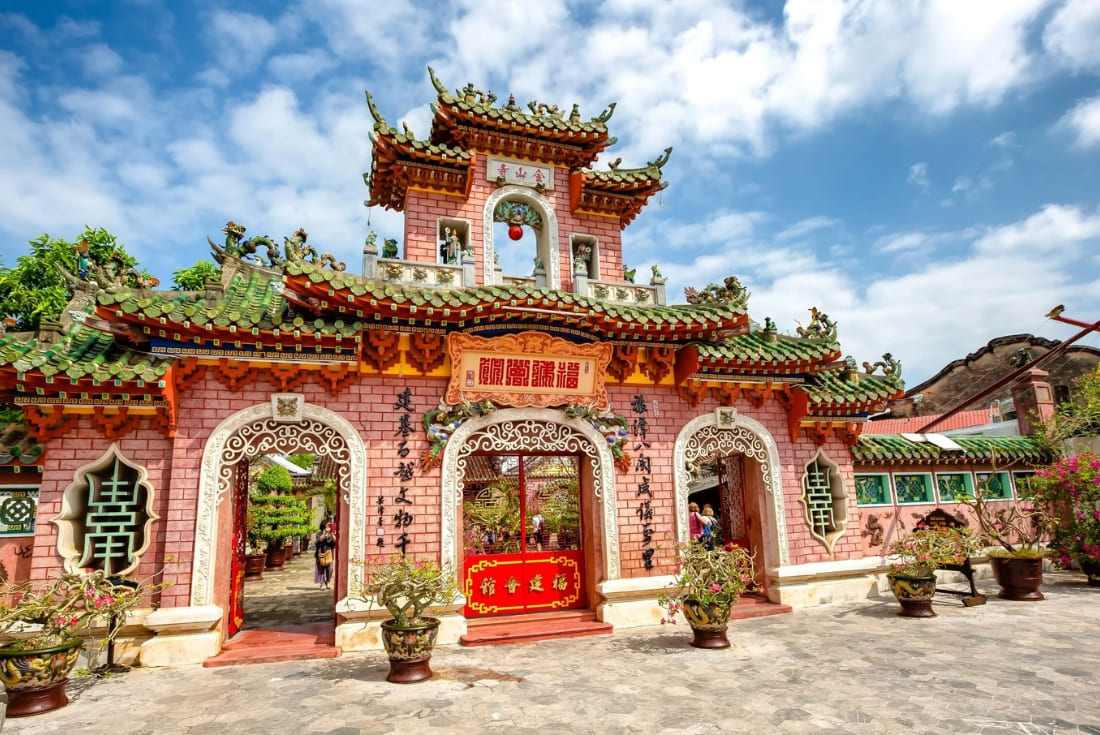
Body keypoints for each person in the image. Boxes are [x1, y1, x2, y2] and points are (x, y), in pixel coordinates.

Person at [314, 524, 336, 590]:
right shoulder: (319, 533)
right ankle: (322, 583)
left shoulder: (332, 533)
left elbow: (335, 541)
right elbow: (319, 540)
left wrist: (331, 533)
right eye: (327, 525)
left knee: (330, 569)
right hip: (321, 553)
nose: (328, 527)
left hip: (329, 553)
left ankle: (328, 581)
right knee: (321, 569)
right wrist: (324, 533)